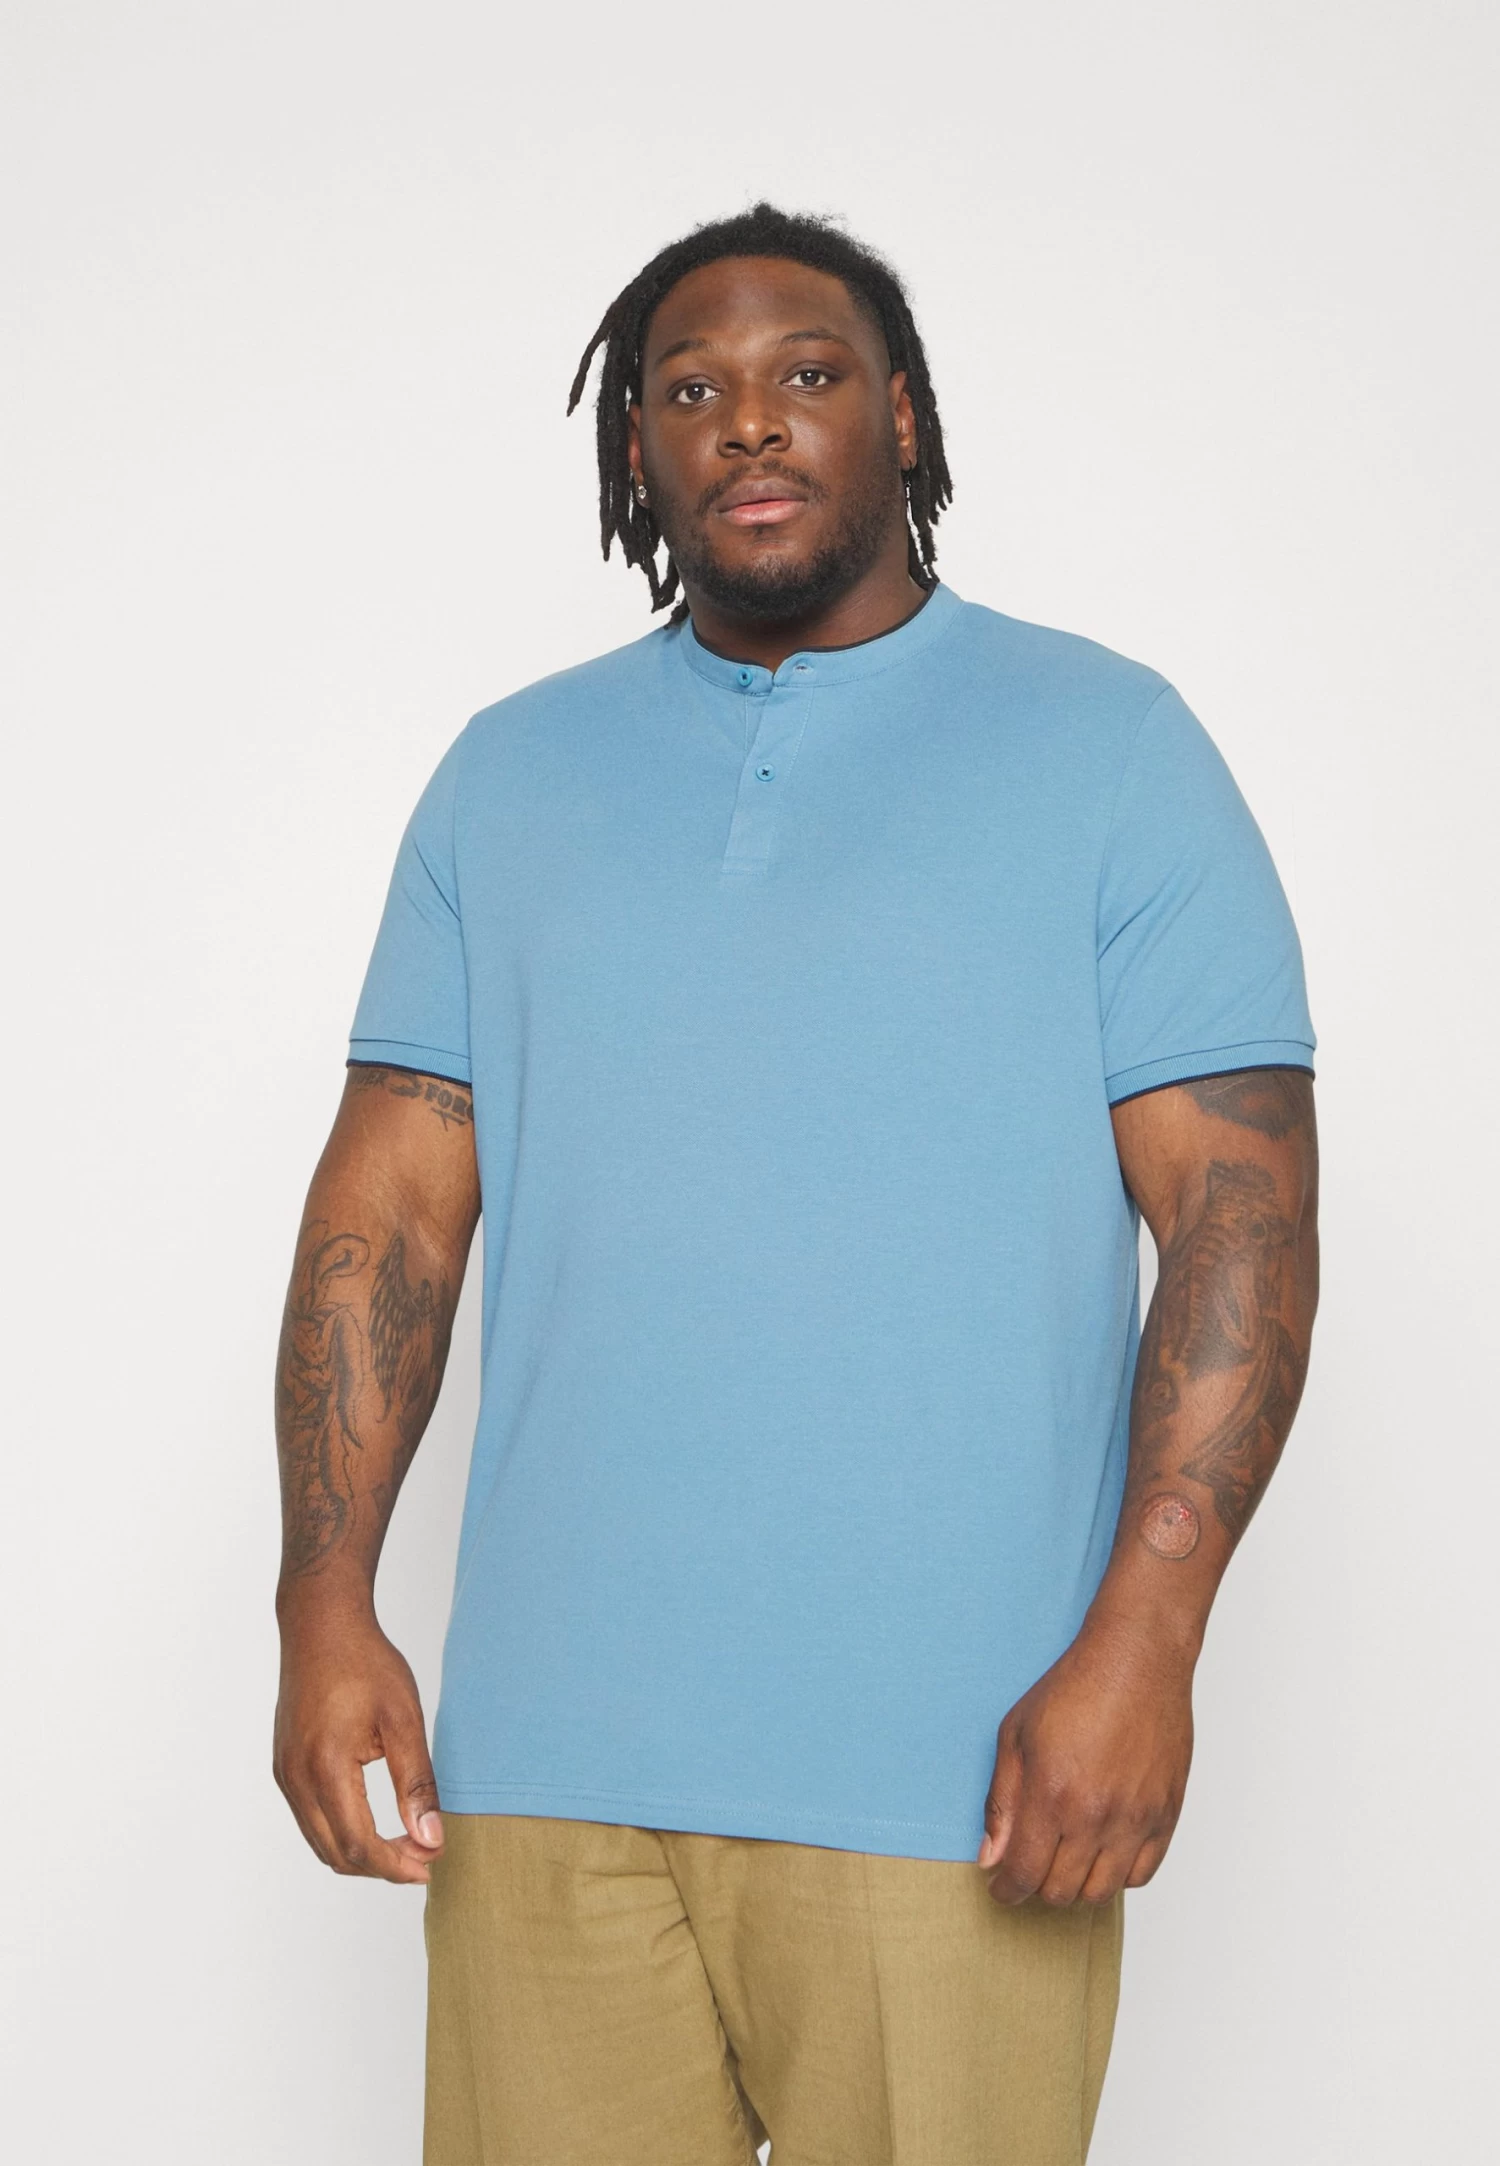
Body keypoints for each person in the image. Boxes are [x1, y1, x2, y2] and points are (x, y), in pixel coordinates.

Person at [272, 202, 1319, 2165]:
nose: (748, 422)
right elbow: (384, 1220)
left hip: (959, 1783)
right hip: (548, 1776)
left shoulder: (1113, 751)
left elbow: (1238, 1224)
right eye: (691, 391)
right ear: (637, 448)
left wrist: (1150, 1642)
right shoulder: (510, 775)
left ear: (903, 417)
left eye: (806, 374)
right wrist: (322, 1602)